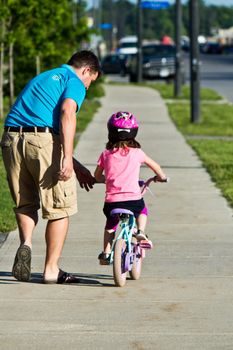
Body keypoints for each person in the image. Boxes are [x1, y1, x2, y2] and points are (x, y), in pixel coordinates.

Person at [0, 50, 101, 283]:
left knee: (25, 202)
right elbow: (67, 113)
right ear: (86, 70)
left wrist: (75, 163)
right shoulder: (74, 81)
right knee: (60, 207)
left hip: (11, 139)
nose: (87, 88)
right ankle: (51, 270)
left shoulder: (44, 77)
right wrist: (67, 160)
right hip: (42, 142)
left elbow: (42, 124)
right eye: (90, 82)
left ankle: (25, 244)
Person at [94, 111, 167, 265]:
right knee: (143, 211)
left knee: (110, 226)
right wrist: (161, 177)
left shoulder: (106, 154)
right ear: (134, 132)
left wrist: (106, 180)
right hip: (133, 200)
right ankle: (140, 231)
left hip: (112, 202)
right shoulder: (137, 153)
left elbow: (97, 176)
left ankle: (106, 253)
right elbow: (156, 167)